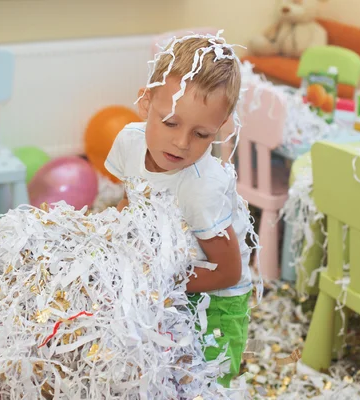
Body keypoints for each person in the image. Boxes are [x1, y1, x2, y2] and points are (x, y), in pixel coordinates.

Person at [104, 32, 261, 387]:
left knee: (200, 385)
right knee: (155, 377)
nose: (181, 143)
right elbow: (132, 199)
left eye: (201, 134)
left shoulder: (200, 187)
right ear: (145, 102)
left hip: (215, 302)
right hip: (167, 282)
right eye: (170, 122)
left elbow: (228, 271)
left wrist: (160, 283)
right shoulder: (129, 142)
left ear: (220, 128)